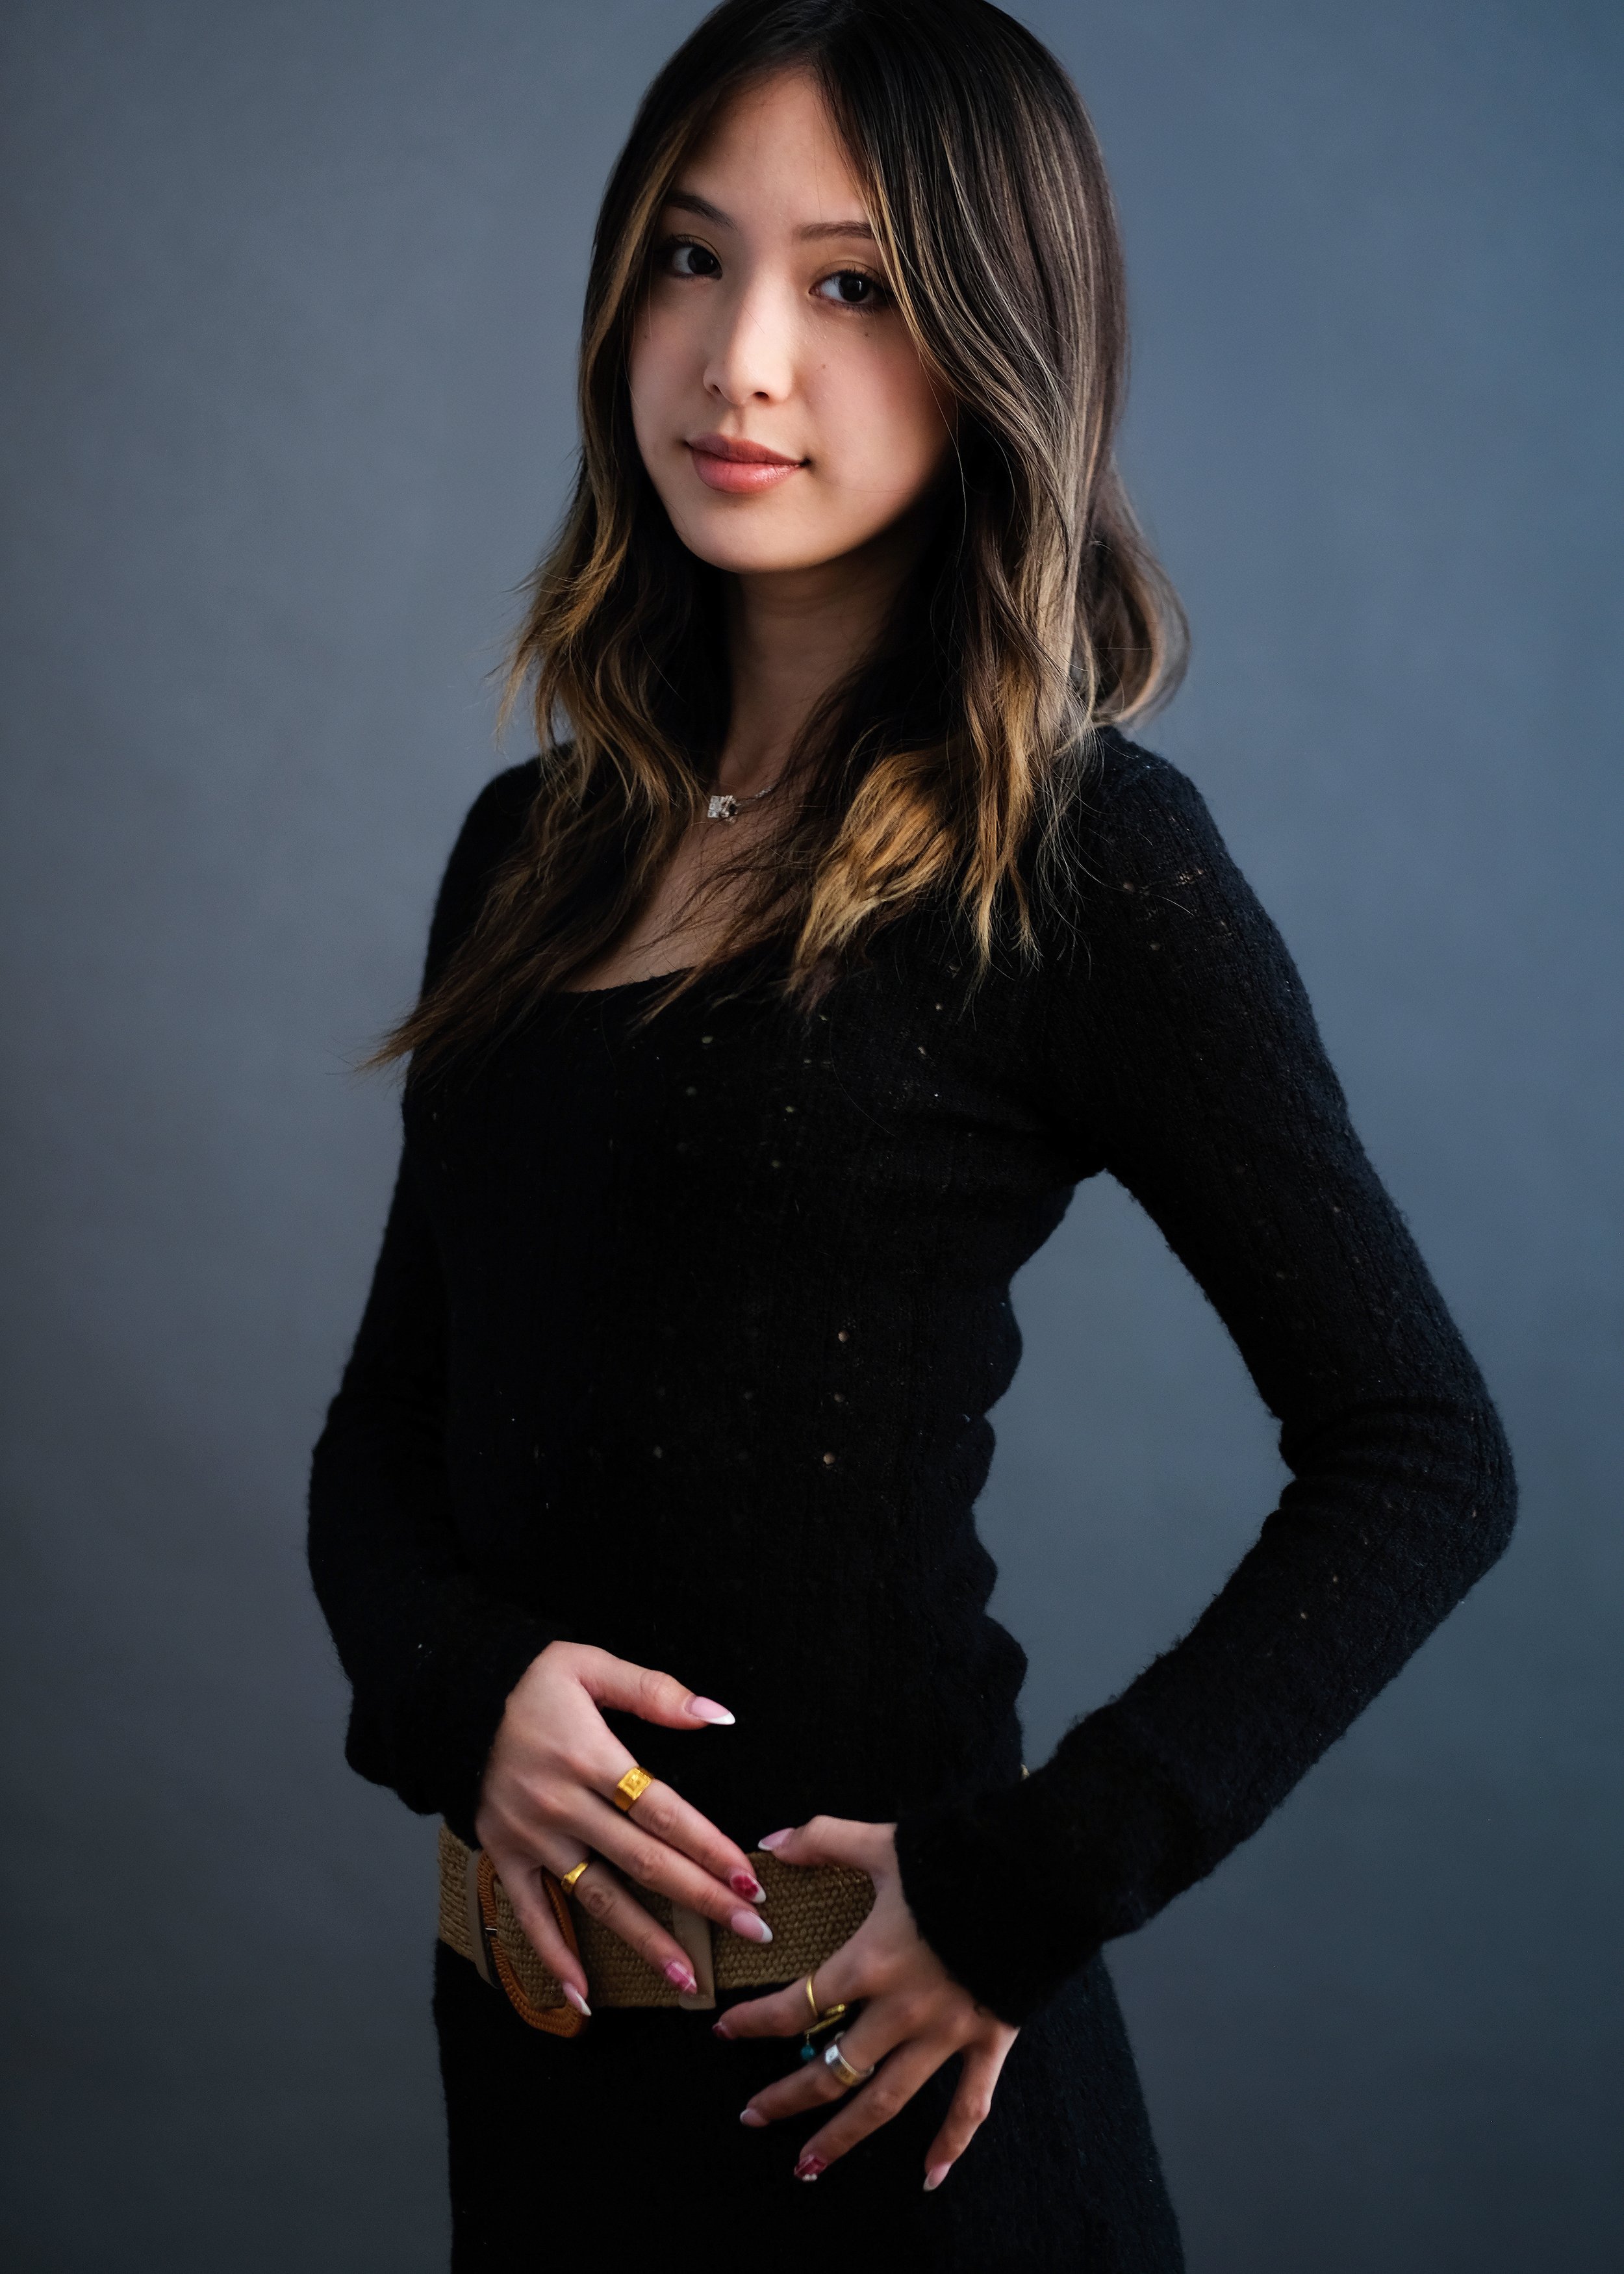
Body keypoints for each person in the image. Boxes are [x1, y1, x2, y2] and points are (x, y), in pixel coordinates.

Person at [307, 2, 1516, 2264]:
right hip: (533, 2088)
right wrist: (459, 1688)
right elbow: (388, 1424)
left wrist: (1027, 1886)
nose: (741, 357)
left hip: (876, 2131)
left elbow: (1423, 1450)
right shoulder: (531, 847)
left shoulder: (1080, 860)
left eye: (849, 284)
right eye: (688, 258)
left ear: (992, 341)